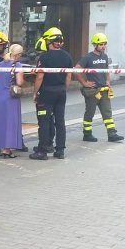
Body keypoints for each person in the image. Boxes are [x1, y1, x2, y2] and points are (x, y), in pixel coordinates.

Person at [29, 28, 73, 160]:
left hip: (47, 92)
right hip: (61, 92)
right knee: (60, 121)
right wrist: (63, 89)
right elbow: (68, 76)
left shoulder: (44, 57)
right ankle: (60, 150)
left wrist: (35, 93)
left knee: (44, 121)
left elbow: (39, 77)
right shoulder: (67, 56)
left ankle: (42, 151)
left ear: (49, 41)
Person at [75, 33, 125, 143]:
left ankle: (112, 134)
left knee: (107, 113)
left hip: (104, 90)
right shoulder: (88, 57)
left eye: (104, 44)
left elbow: (106, 69)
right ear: (95, 45)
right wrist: (84, 83)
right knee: (90, 113)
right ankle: (87, 134)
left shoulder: (105, 56)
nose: (103, 46)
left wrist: (108, 81)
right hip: (93, 91)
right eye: (101, 44)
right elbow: (76, 69)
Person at [0, 44, 25, 158]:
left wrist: (1, 85)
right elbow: (19, 82)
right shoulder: (17, 65)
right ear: (18, 54)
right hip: (11, 97)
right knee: (10, 122)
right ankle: (7, 149)